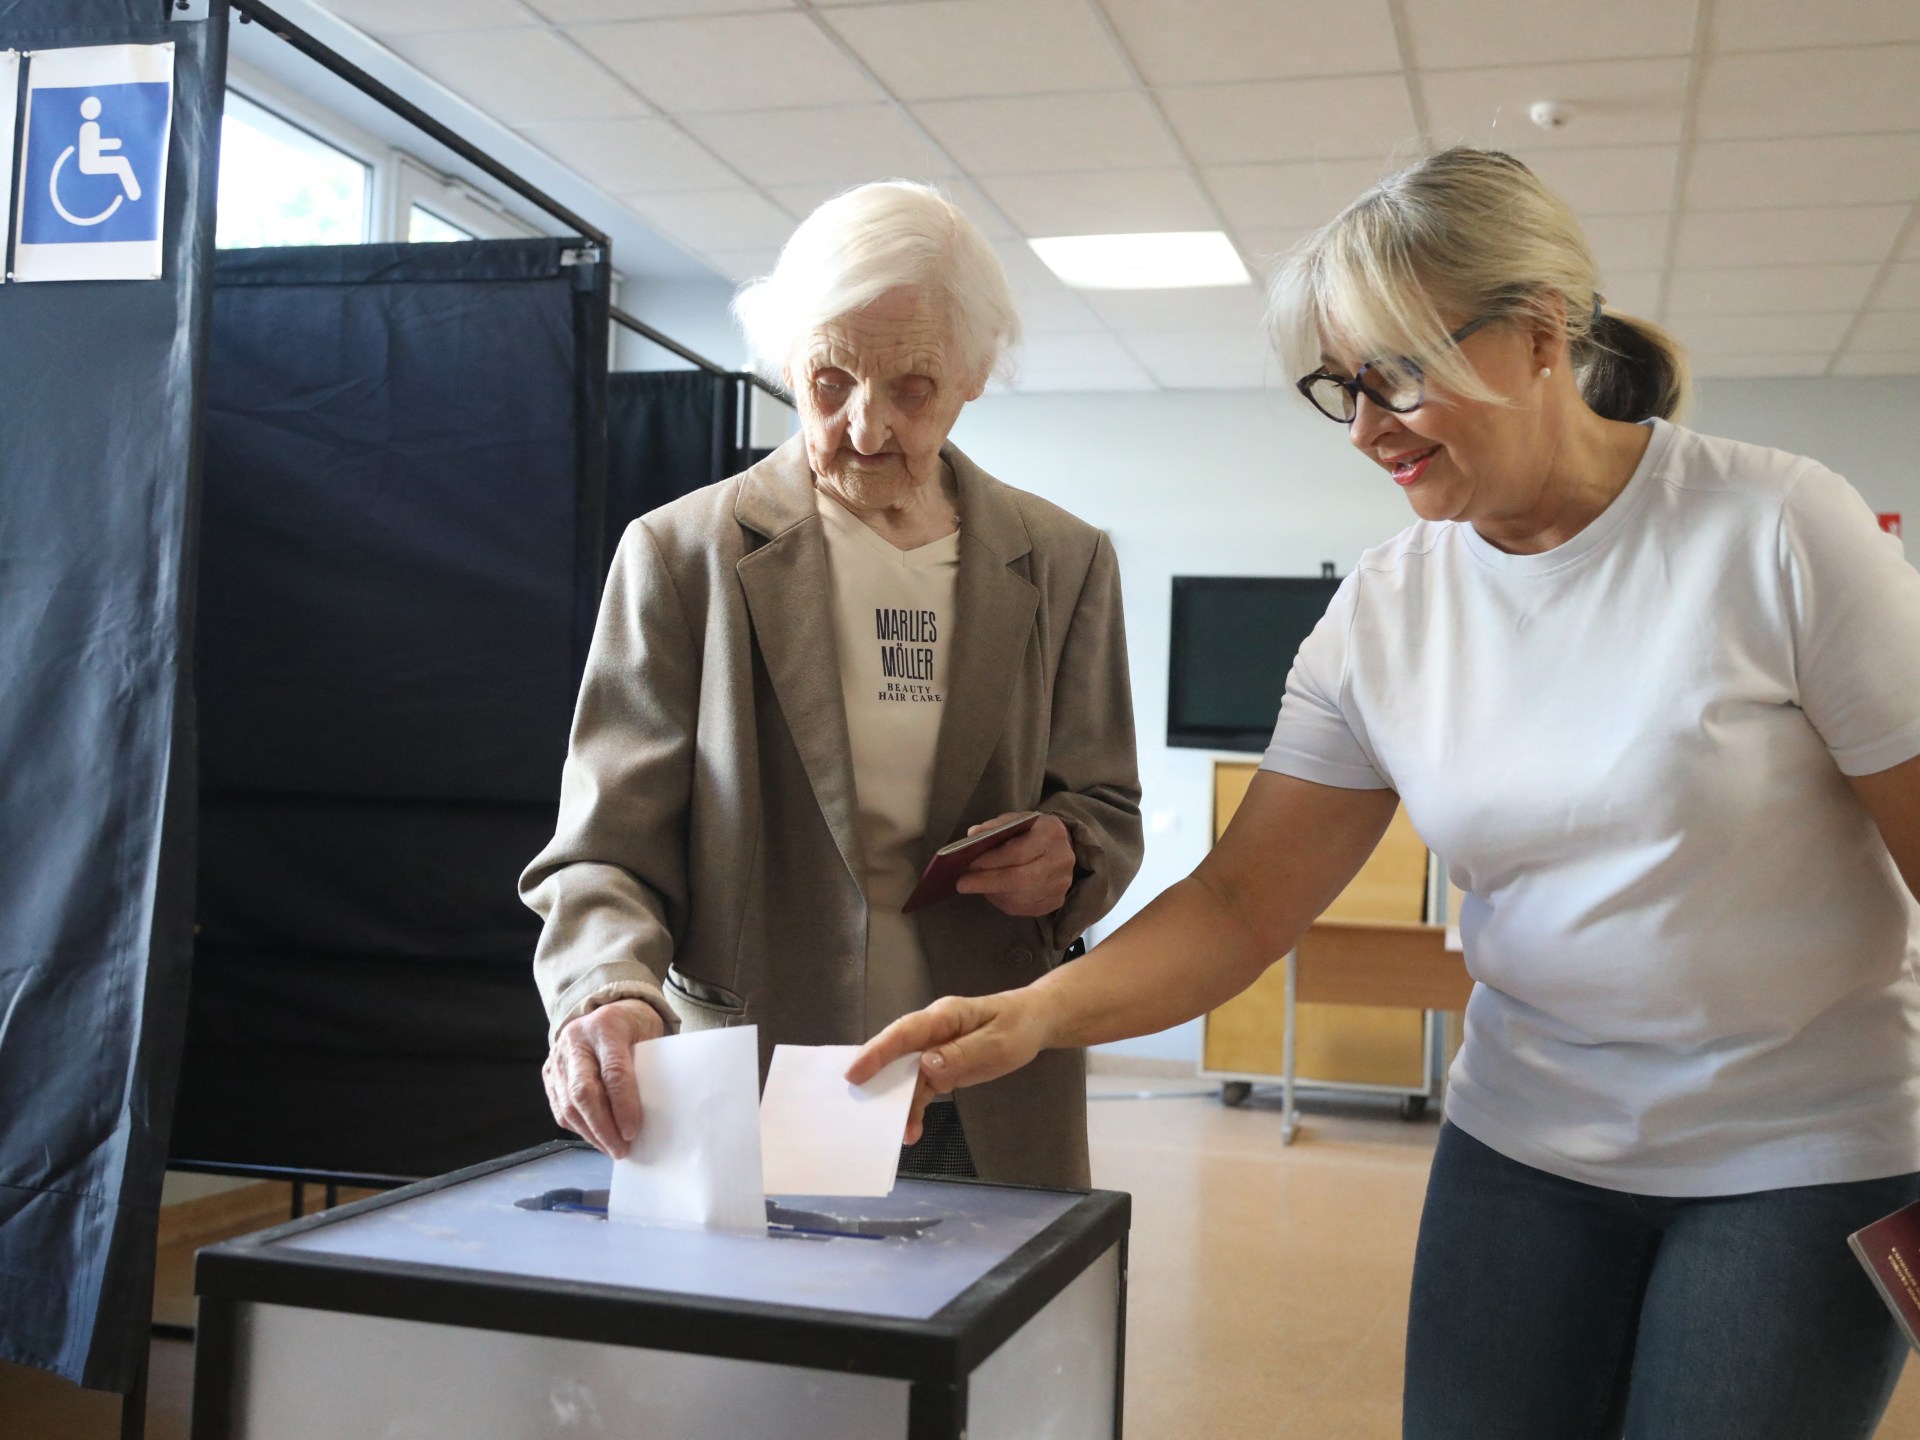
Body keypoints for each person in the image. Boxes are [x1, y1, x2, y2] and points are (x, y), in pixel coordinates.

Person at [851, 148, 1920, 1437]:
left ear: (1537, 337)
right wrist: (1033, 1015)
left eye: (1397, 377)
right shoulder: (1386, 609)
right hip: (1530, 1139)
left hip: (1802, 1152)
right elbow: (1246, 899)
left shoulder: (1777, 530)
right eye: (1339, 388)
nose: (1366, 429)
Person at [522, 181, 1142, 1189]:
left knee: (990, 1345)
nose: (865, 427)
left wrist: (1071, 858)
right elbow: (604, 848)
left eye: (912, 387)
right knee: (760, 1348)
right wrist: (607, 990)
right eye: (829, 380)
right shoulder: (682, 556)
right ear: (783, 361)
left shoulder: (1064, 561)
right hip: (756, 1071)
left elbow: (1106, 806)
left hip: (985, 1071)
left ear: (975, 376)